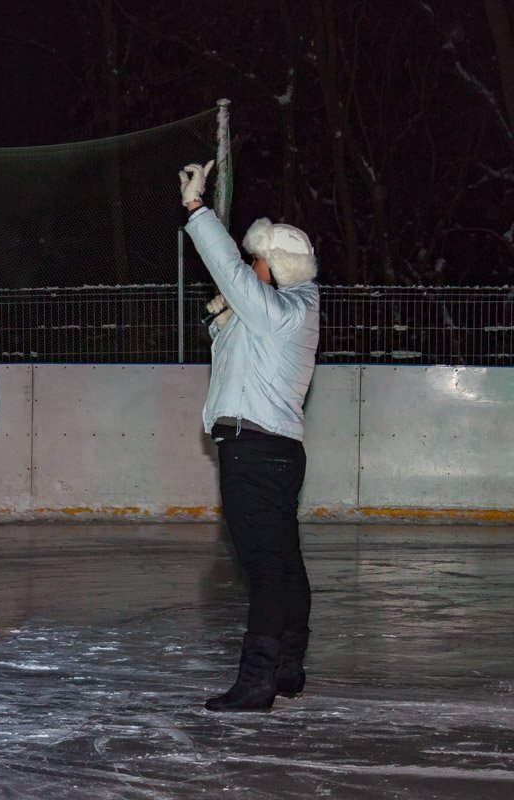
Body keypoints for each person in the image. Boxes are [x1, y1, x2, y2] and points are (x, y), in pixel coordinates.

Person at [179, 161, 319, 712]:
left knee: (264, 568)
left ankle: (258, 679)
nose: (249, 265)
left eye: (257, 258)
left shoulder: (280, 312)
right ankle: (288, 667)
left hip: (256, 455)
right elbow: (242, 356)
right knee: (284, 563)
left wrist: (197, 211)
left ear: (277, 268)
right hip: (276, 452)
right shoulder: (291, 311)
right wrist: (222, 319)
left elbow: (231, 274)